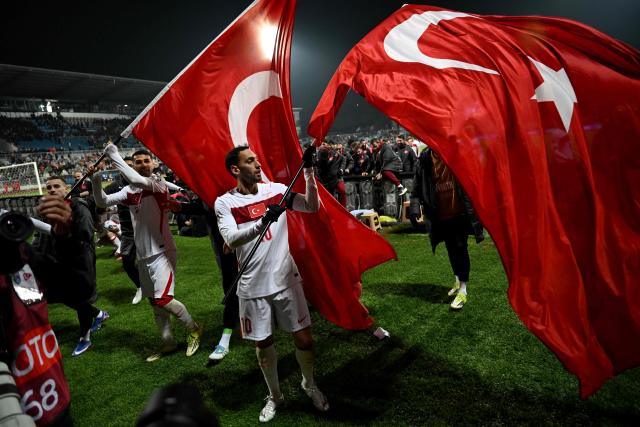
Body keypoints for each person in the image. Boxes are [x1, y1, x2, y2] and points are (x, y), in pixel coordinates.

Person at [215, 145, 329, 422]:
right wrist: (262, 221)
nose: (257, 164)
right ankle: (275, 396)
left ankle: (308, 384)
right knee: (263, 346)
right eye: (250, 161)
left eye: (257, 159)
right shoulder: (224, 203)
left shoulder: (276, 190)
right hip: (252, 287)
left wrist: (311, 173)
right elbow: (231, 238)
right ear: (235, 169)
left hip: (286, 280)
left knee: (304, 339)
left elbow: (311, 206)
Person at [90, 145, 203, 362]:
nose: (142, 165)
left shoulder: (157, 183)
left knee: (164, 300)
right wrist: (95, 180)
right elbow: (102, 201)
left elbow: (140, 181)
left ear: (153, 164)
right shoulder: (129, 191)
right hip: (143, 255)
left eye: (146, 161)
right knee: (154, 302)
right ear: (132, 165)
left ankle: (194, 328)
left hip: (163, 251)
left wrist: (114, 155)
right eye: (138, 162)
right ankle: (168, 342)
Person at [32, 177, 109, 356]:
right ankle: (98, 314)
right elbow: (40, 236)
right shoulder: (46, 209)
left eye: (56, 186)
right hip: (54, 259)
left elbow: (85, 235)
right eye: (48, 187)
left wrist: (66, 228)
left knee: (80, 297)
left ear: (66, 188)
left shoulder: (78, 207)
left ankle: (85, 337)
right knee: (57, 294)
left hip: (78, 259)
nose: (51, 189)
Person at [409, 149, 484, 310]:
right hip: (440, 213)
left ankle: (463, 288)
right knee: (451, 247)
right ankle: (457, 280)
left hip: (460, 211)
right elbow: (417, 186)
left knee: (460, 246)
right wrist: (415, 208)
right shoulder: (425, 157)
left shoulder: (455, 151)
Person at [104, 156, 143, 304]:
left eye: (130, 166)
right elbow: (100, 200)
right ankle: (140, 286)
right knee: (127, 262)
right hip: (127, 231)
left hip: (147, 229)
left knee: (152, 262)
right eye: (124, 166)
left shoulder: (142, 181)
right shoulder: (115, 185)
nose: (127, 168)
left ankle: (158, 287)